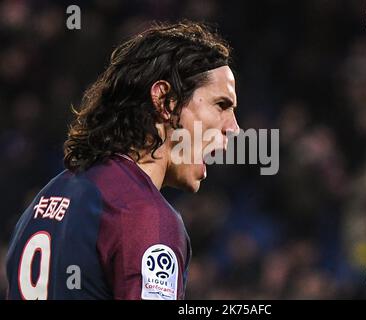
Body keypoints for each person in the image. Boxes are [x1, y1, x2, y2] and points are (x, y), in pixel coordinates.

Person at [5, 21, 239, 300]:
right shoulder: (143, 215)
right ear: (166, 102)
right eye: (221, 105)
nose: (233, 127)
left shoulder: (42, 203)